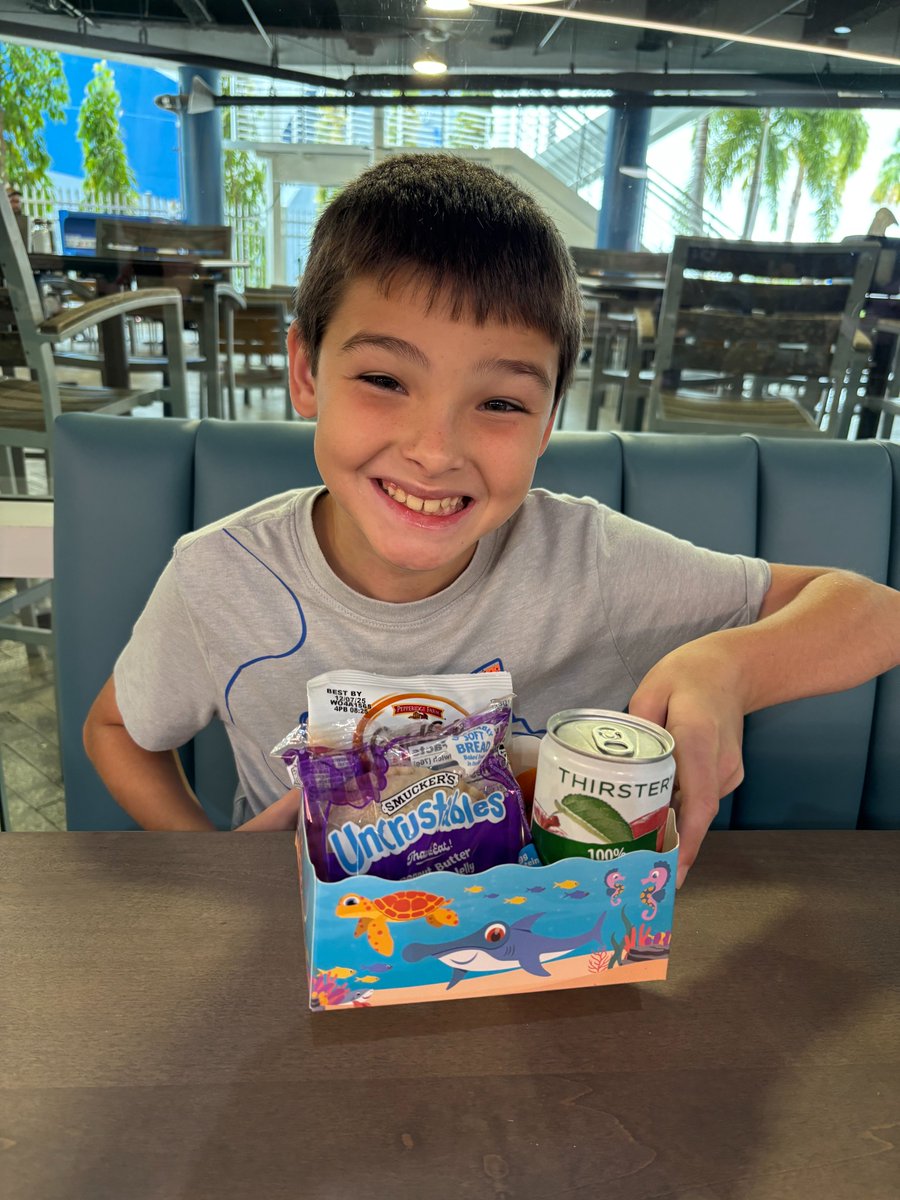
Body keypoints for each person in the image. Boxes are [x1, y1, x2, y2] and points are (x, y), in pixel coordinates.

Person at [83, 153, 900, 884]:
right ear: (306, 370)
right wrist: (220, 873)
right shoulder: (220, 575)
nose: (435, 450)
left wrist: (731, 668)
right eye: (384, 379)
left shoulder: (589, 563)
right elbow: (117, 729)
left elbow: (873, 610)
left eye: (501, 401)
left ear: (547, 424)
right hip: (302, 966)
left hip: (530, 964)